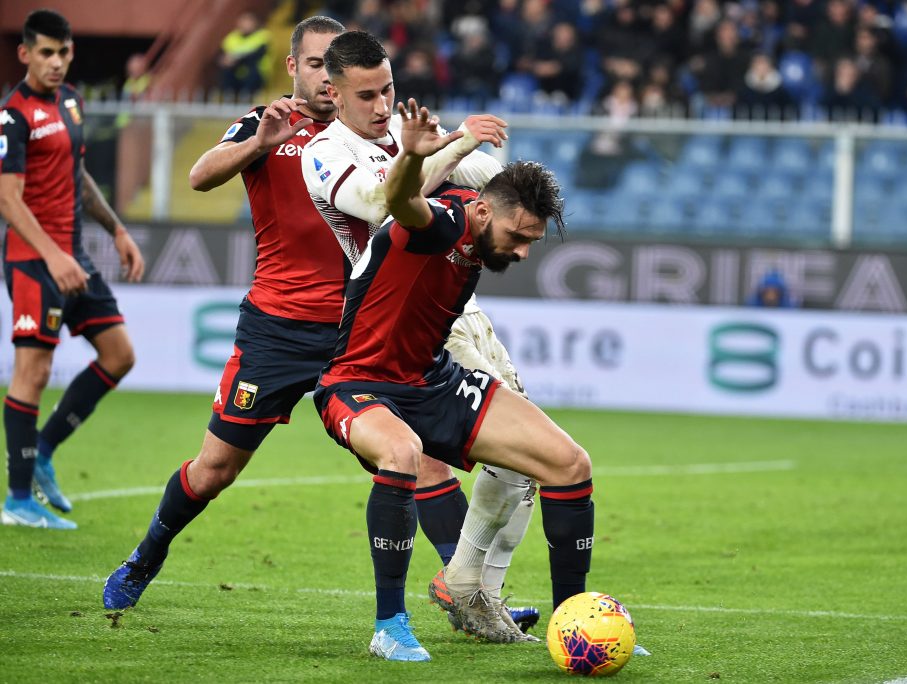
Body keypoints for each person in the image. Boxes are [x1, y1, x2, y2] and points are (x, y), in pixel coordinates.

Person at [312, 97, 593, 663]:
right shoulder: (439, 224)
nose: (520, 251)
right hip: (359, 384)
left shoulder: (480, 209)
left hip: (432, 382)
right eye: (519, 236)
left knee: (570, 465)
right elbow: (400, 201)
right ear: (487, 215)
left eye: (531, 242)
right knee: (402, 452)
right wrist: (413, 157)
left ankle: (574, 627)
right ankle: (389, 623)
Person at [300, 31, 542, 649]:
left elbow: (500, 192)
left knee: (527, 466)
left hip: (461, 304)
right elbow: (387, 204)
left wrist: (525, 190)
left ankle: (477, 588)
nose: (383, 105)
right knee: (477, 456)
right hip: (400, 320)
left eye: (389, 90)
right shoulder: (326, 152)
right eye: (368, 94)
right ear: (334, 93)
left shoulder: (414, 137)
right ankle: (465, 591)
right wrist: (454, 143)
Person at [102, 15, 348, 608]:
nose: (327, 79)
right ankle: (146, 556)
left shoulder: (366, 132)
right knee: (215, 469)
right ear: (292, 67)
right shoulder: (265, 125)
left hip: (356, 328)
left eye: (336, 68)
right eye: (316, 64)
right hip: (278, 331)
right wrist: (259, 144)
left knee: (417, 460)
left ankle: (467, 591)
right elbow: (200, 174)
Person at [0, 9, 145, 530]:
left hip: (72, 255)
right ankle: (17, 500)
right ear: (25, 54)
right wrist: (53, 255)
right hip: (33, 258)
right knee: (33, 372)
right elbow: (8, 200)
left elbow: (76, 173)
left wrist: (117, 229)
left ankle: (40, 450)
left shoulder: (71, 102)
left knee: (119, 354)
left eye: (63, 52)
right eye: (46, 53)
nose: (57, 62)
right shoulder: (12, 115)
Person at [219, 12, 272, 97]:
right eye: (243, 21)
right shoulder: (231, 37)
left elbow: (256, 55)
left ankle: (246, 98)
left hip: (256, 72)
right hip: (235, 70)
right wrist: (224, 60)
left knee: (253, 72)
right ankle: (228, 97)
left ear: (255, 23)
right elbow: (222, 53)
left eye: (248, 21)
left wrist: (236, 59)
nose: (245, 24)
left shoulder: (263, 36)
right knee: (226, 72)